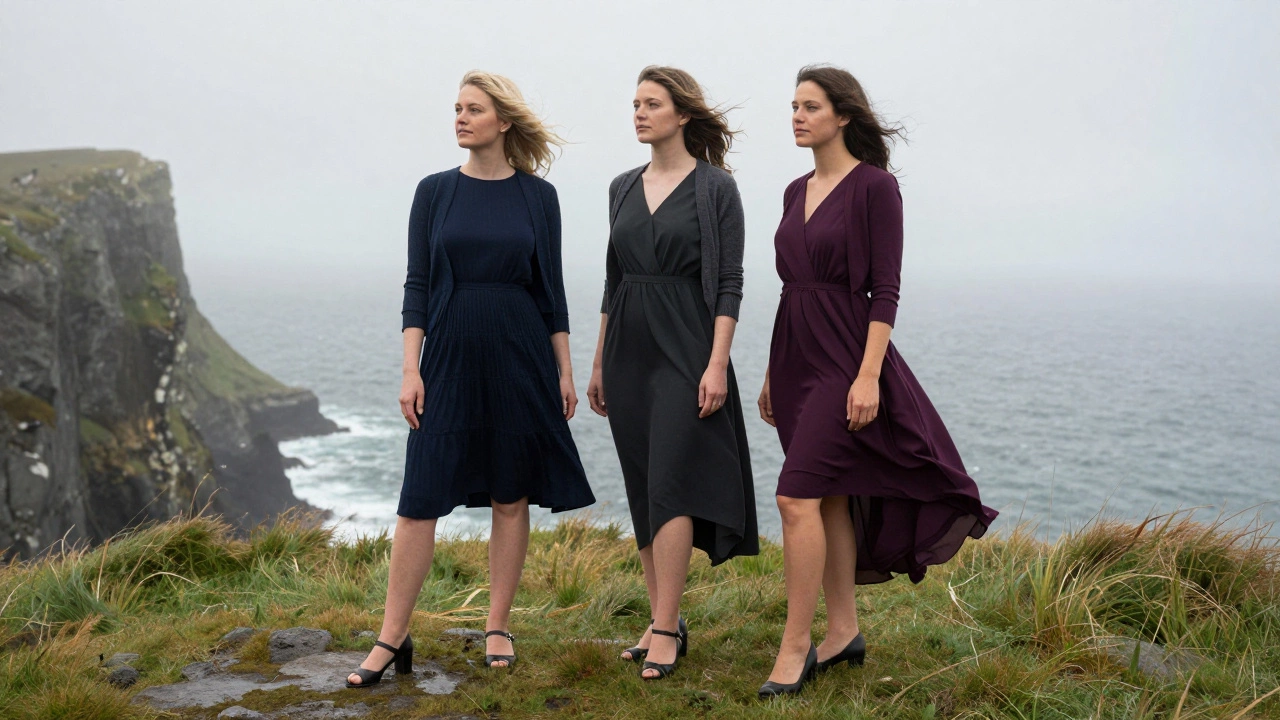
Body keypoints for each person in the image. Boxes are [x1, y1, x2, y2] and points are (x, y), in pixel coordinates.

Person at [757, 65, 999, 699]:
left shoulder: (876, 188)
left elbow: (884, 290)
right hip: (795, 357)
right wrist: (769, 374)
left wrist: (868, 378)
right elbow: (791, 290)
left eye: (810, 106)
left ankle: (795, 645)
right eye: (793, 106)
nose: (797, 116)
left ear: (843, 116)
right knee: (828, 495)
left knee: (795, 498)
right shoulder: (792, 190)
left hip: (845, 360)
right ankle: (843, 632)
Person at [347, 70, 594, 687]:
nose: (460, 118)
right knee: (420, 497)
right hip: (451, 352)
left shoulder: (540, 197)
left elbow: (551, 291)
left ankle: (498, 624)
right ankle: (391, 635)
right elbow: (417, 286)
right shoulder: (434, 192)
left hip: (520, 353)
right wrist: (411, 369)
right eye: (456, 108)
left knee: (510, 494)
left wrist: (564, 369)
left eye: (474, 109)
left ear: (503, 121)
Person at [587, 65, 758, 682]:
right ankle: (665, 619)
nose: (638, 113)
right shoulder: (620, 186)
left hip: (688, 345)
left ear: (682, 114)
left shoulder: (716, 189)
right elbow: (613, 278)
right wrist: (600, 358)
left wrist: (717, 363)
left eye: (651, 103)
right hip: (629, 345)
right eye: (634, 103)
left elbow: (730, 283)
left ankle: (665, 627)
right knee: (642, 483)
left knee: (674, 481)